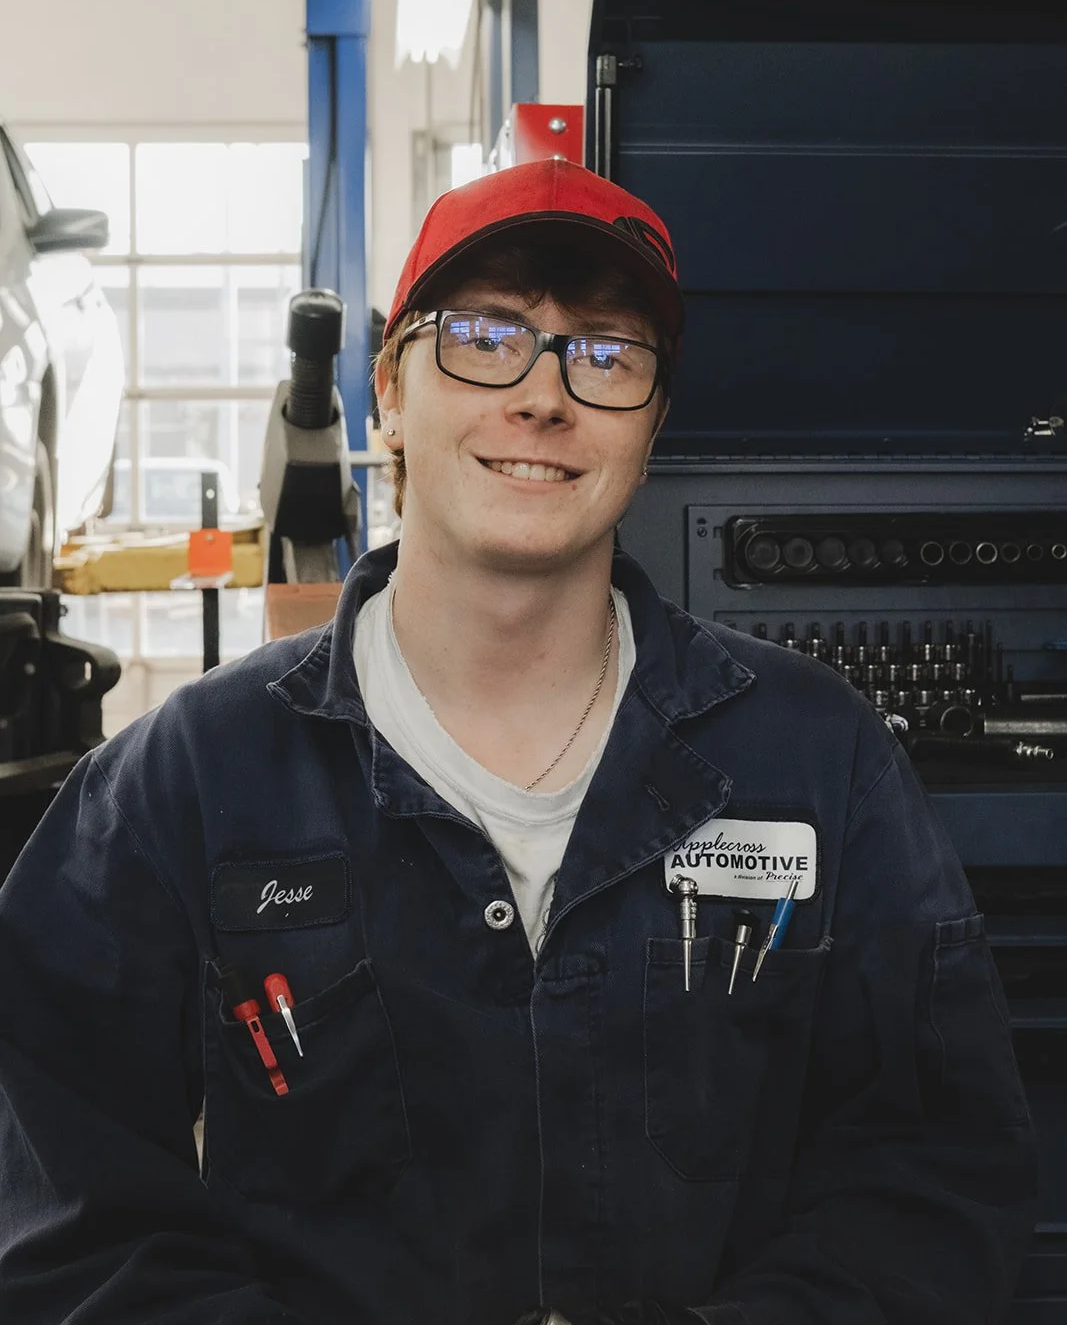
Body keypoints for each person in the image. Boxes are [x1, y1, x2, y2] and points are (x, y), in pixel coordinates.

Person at [0, 159, 1037, 1325]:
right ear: (390, 391)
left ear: (648, 426)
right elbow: (57, 1227)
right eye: (485, 335)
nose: (542, 396)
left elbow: (935, 1178)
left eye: (603, 352)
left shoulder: (814, 759)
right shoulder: (186, 779)